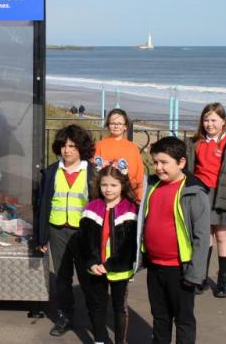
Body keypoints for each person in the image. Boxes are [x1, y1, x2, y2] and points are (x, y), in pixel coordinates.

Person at [139, 136, 210, 344]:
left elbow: (202, 237)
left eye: (164, 163)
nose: (158, 168)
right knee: (160, 318)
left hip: (180, 269)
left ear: (181, 163)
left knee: (184, 319)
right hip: (154, 267)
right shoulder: (151, 186)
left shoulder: (194, 193)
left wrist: (195, 274)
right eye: (155, 162)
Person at [34, 124, 96, 337]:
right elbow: (42, 204)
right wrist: (41, 237)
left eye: (72, 146)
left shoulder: (92, 171)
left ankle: (95, 318)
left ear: (82, 148)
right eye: (63, 146)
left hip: (83, 234)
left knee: (88, 278)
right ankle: (65, 317)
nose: (67, 150)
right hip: (57, 230)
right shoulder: (51, 171)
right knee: (62, 277)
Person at [186, 102, 226, 298]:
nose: (209, 124)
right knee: (204, 236)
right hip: (201, 194)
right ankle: (201, 277)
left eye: (214, 120)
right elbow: (188, 170)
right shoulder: (195, 142)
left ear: (224, 121)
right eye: (206, 119)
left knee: (222, 235)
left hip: (223, 194)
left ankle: (223, 279)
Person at [80, 164, 138, 344]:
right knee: (98, 306)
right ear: (99, 185)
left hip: (118, 269)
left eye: (113, 185)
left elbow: (129, 245)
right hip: (96, 268)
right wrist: (92, 262)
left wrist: (109, 265)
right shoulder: (91, 208)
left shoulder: (130, 209)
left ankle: (121, 341)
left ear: (122, 185)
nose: (108, 189)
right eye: (104, 185)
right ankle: (100, 340)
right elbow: (85, 240)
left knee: (119, 307)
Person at [94, 108, 146, 197]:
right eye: (113, 123)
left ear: (125, 126)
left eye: (119, 124)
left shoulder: (132, 147)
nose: (116, 126)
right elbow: (95, 172)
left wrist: (138, 196)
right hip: (106, 193)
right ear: (108, 125)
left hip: (128, 193)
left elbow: (139, 175)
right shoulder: (100, 145)